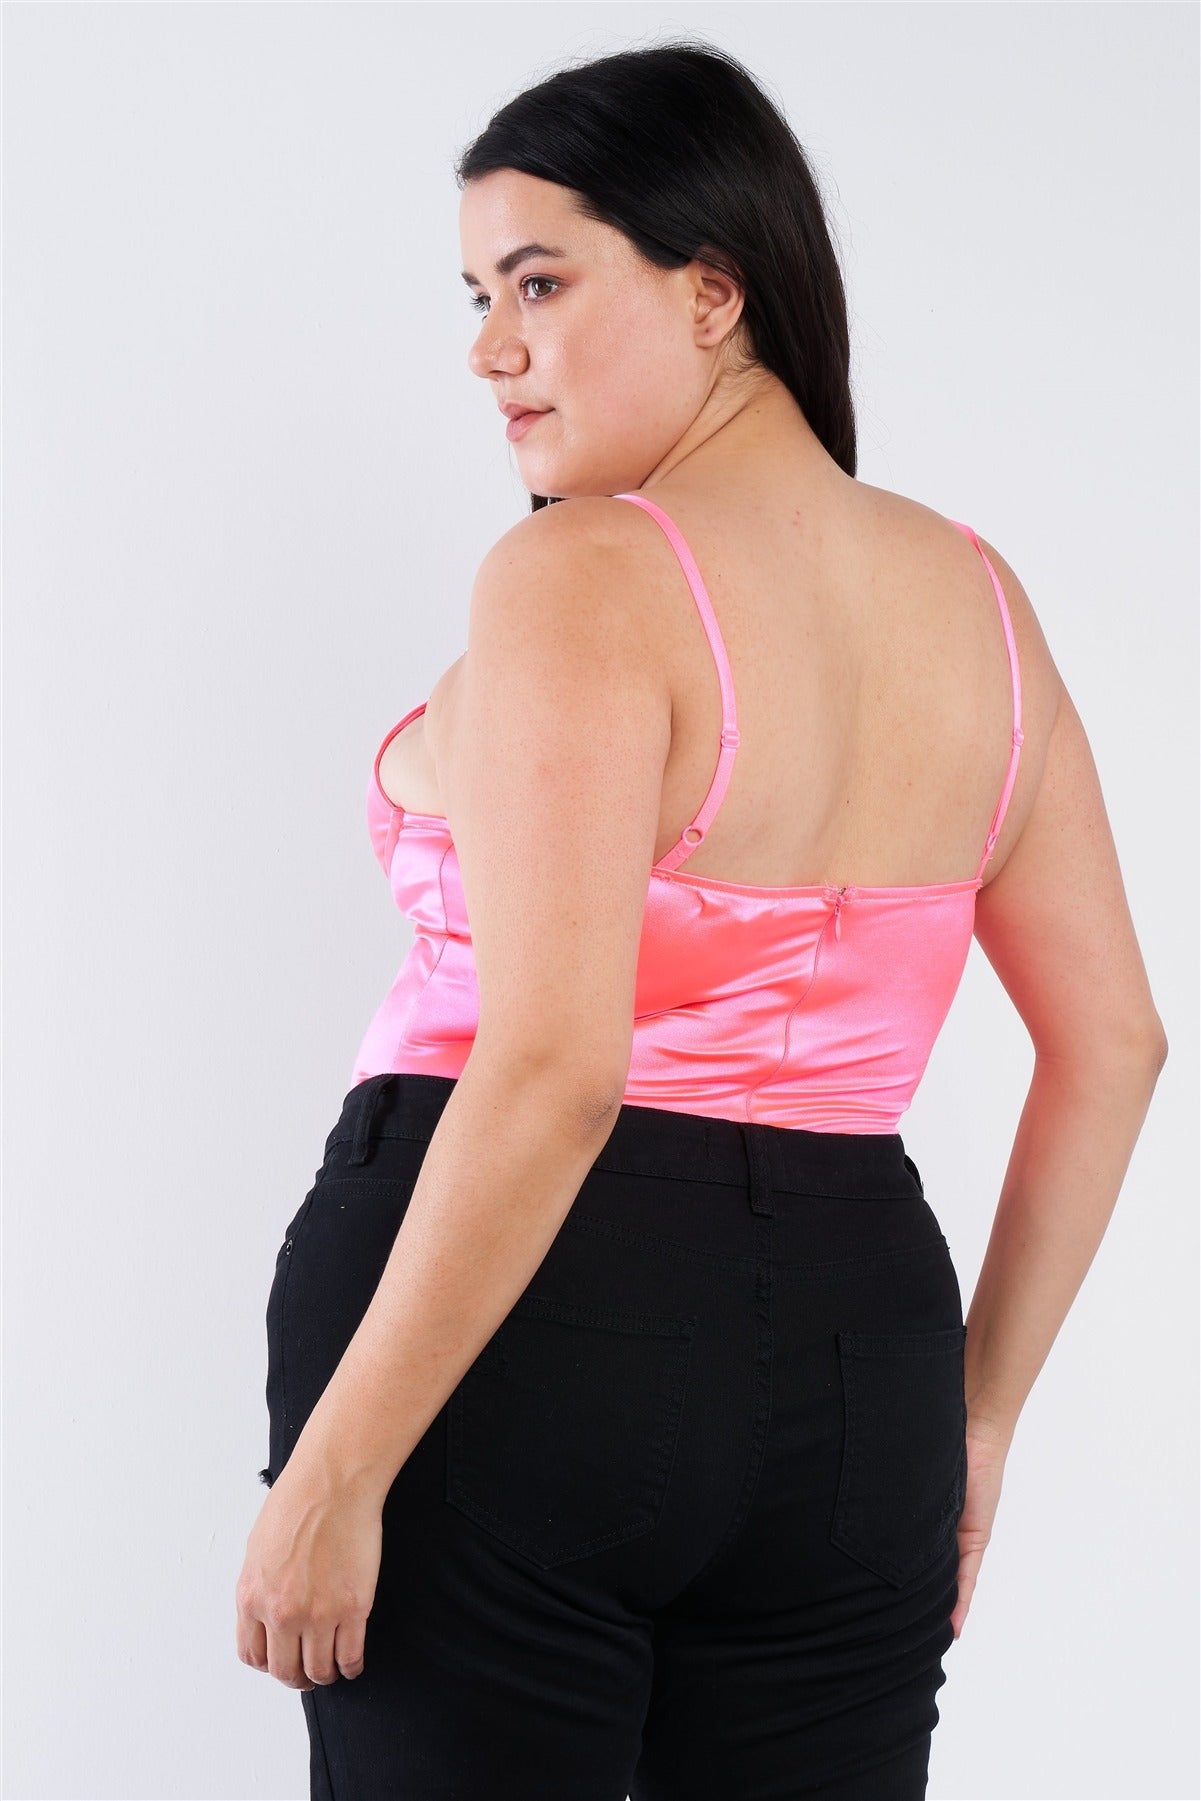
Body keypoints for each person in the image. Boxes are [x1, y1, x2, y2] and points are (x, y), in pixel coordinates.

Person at [234, 39, 1168, 1801]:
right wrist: (973, 1417)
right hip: (859, 1366)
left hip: (520, 1340)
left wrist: (338, 1468)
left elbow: (557, 1067)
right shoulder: (980, 601)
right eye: (477, 296)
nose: (489, 347)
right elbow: (1114, 1041)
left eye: (539, 282)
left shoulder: (582, 572)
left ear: (713, 293)